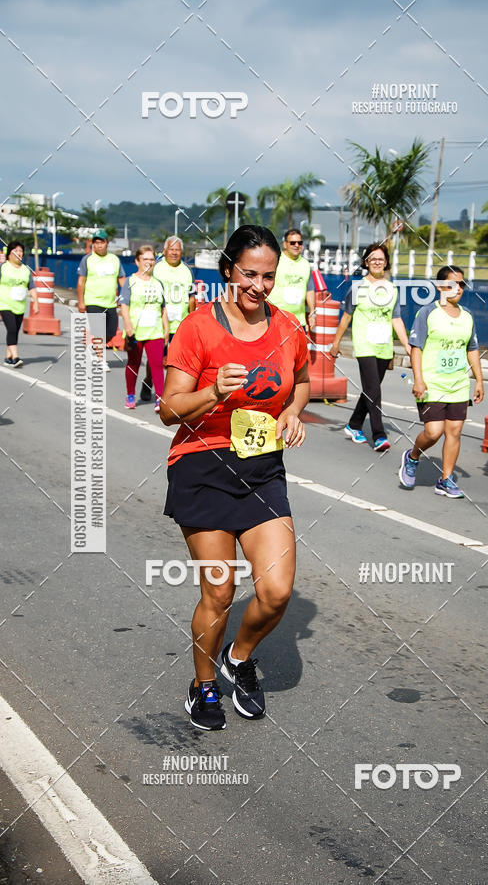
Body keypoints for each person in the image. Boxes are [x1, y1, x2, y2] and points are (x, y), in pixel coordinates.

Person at [160, 225, 309, 731]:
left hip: (263, 468)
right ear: (229, 270)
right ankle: (203, 685)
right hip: (202, 466)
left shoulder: (288, 328)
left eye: (268, 276)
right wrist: (212, 395)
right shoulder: (198, 328)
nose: (259, 286)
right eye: (249, 274)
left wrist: (292, 412)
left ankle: (239, 659)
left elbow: (304, 381)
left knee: (277, 590)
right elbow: (167, 410)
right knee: (220, 592)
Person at [399, 265, 483, 498]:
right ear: (440, 287)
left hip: (458, 384)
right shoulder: (428, 313)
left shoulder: (467, 316)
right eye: (452, 284)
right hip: (432, 383)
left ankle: (445, 479)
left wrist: (479, 380)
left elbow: (472, 349)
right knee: (434, 432)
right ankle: (412, 456)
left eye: (462, 284)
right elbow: (417, 349)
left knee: (454, 431)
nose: (458, 288)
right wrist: (418, 380)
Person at [330, 243, 410, 451]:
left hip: (384, 346)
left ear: (386, 263)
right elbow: (346, 317)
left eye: (381, 259)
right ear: (366, 262)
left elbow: (396, 319)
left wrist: (407, 345)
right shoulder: (358, 288)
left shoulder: (392, 289)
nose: (377, 262)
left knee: (370, 391)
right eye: (373, 259)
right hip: (364, 345)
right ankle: (379, 435)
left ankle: (354, 424)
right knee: (373, 389)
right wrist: (336, 343)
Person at [139, 235, 196, 402]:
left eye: (177, 250)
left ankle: (172, 392)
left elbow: (191, 297)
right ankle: (148, 382)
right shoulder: (156, 268)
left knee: (179, 362)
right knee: (156, 360)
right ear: (164, 251)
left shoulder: (187, 271)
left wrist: (192, 320)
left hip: (180, 324)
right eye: (171, 249)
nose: (174, 253)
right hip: (159, 323)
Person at [119, 245, 169, 413]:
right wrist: (127, 324)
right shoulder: (130, 281)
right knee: (133, 364)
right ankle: (131, 395)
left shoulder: (158, 283)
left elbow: (162, 308)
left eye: (151, 259)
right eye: (145, 259)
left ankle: (160, 398)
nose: (149, 262)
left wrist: (166, 329)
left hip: (154, 331)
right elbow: (124, 304)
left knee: (156, 365)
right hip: (136, 331)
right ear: (137, 261)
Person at [77, 229, 125, 369]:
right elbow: (81, 281)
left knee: (110, 331)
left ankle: (93, 347)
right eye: (96, 243)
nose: (98, 245)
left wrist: (128, 297)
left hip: (110, 302)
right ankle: (100, 360)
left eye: (101, 242)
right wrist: (81, 301)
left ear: (107, 243)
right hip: (93, 301)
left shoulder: (114, 260)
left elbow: (121, 279)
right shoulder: (87, 259)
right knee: (98, 330)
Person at [267, 228, 316, 331]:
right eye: (292, 243)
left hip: (298, 322)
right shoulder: (275, 260)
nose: (297, 245)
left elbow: (310, 290)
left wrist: (312, 313)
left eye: (300, 242)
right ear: (285, 244)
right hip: (274, 318)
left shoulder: (306, 264)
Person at [0, 241, 39, 367]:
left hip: (20, 305)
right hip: (5, 304)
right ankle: (16, 357)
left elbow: (31, 287)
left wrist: (36, 302)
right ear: (9, 253)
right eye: (15, 251)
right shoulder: (3, 267)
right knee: (11, 328)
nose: (18, 253)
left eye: (20, 251)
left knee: (15, 331)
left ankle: (8, 357)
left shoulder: (25, 270)